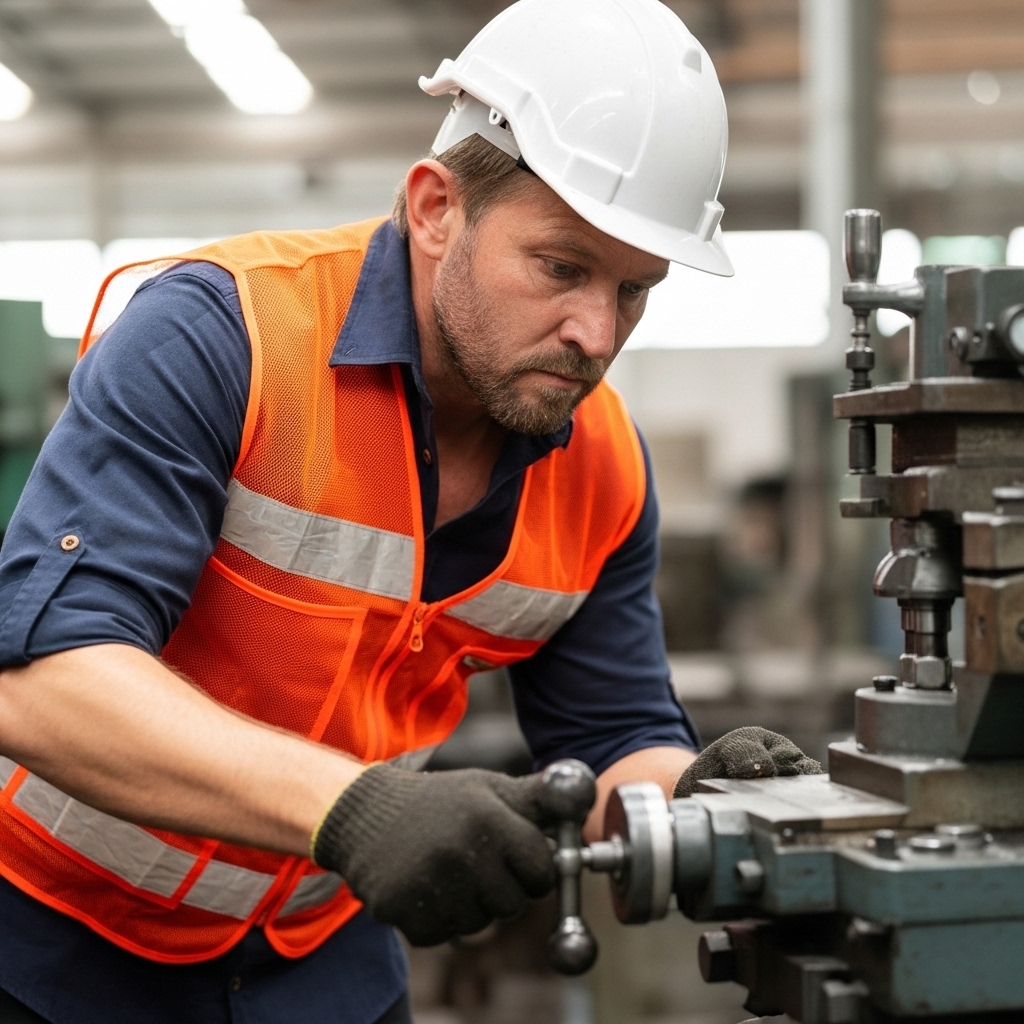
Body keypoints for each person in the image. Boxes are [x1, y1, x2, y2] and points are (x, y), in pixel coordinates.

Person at [0, 1, 819, 1021]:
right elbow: (44, 683)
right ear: (437, 209)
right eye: (560, 267)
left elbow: (612, 736)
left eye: (635, 289)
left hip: (319, 957)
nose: (596, 333)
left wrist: (692, 798)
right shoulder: (226, 338)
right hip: (51, 943)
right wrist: (352, 807)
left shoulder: (602, 464)